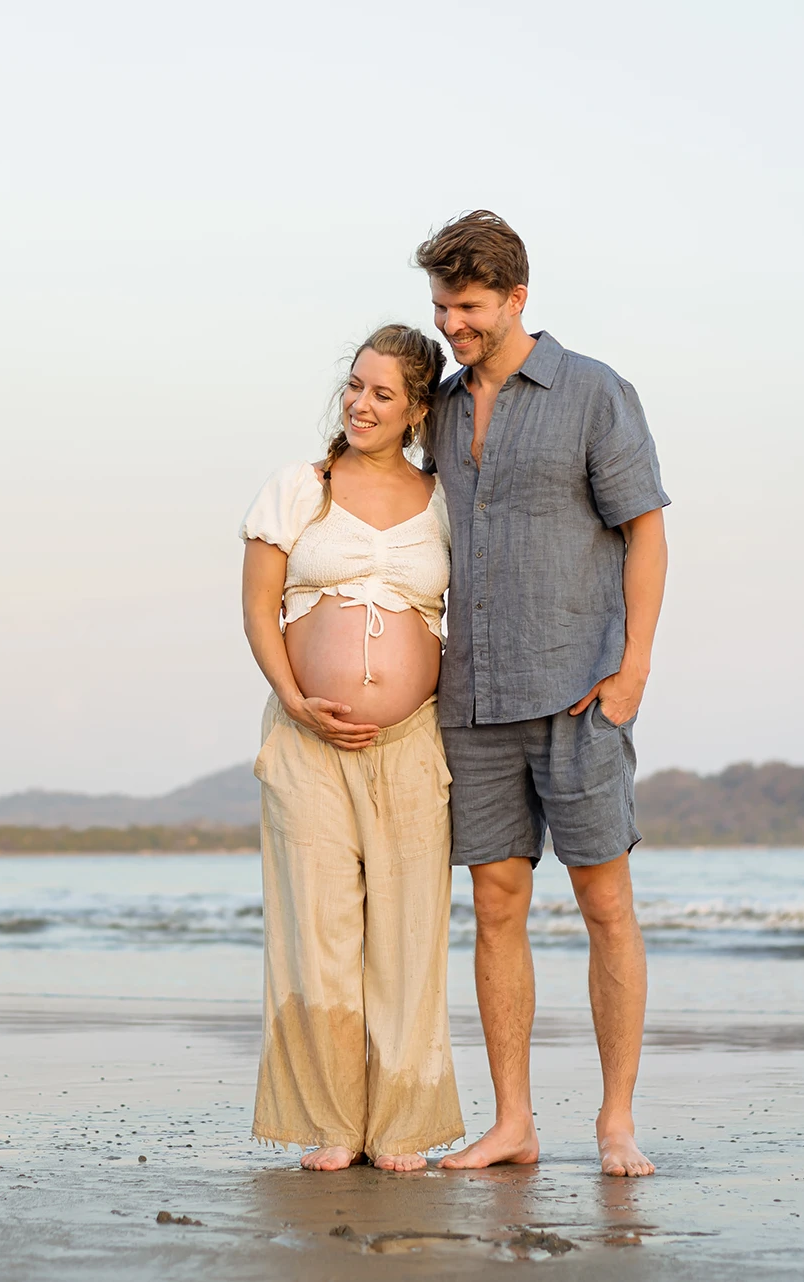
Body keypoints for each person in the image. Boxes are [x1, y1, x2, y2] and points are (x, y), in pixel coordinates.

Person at [414, 211, 670, 1179]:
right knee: (496, 905)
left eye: (469, 306)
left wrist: (632, 668)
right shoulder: (437, 408)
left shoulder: (594, 392)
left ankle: (615, 1122)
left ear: (517, 298)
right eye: (442, 306)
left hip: (577, 691)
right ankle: (513, 1119)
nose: (453, 325)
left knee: (606, 903)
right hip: (472, 700)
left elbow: (645, 529)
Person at [240, 323, 466, 1172]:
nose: (361, 404)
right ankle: (333, 1123)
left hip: (412, 741)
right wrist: (297, 701)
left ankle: (403, 1122)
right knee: (320, 926)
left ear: (416, 410)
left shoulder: (447, 497)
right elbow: (261, 609)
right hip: (307, 741)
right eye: (355, 386)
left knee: (409, 930)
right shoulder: (301, 487)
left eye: (383, 394)